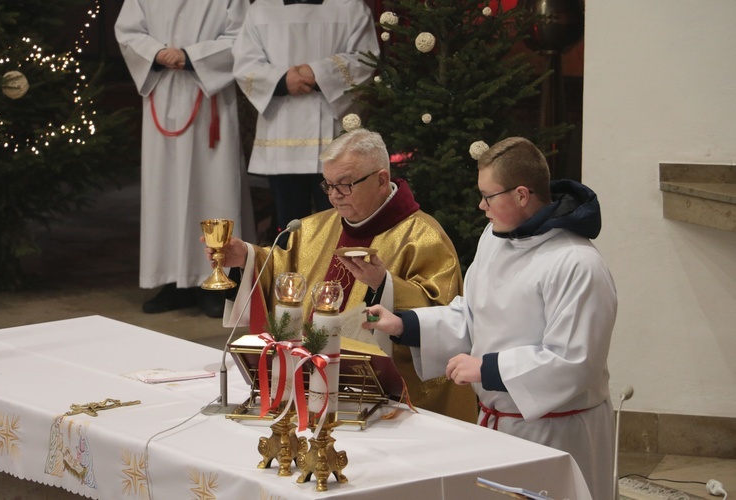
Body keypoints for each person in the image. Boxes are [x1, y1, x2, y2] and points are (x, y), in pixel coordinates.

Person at [364, 137, 617, 499]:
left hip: (556, 433)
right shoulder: (495, 238)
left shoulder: (577, 263)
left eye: (488, 196)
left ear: (522, 195)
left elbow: (574, 362)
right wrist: (405, 325)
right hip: (499, 425)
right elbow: (472, 315)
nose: (481, 206)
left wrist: (487, 369)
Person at [206, 128, 476, 422]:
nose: (334, 197)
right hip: (310, 382)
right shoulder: (311, 228)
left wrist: (382, 285)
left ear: (381, 180)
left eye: (344, 185)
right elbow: (282, 271)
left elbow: (446, 318)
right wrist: (245, 257)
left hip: (385, 399)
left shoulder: (424, 237)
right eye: (328, 185)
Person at [115, 0, 256, 317]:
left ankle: (215, 278)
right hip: (163, 93)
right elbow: (127, 30)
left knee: (213, 187)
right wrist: (156, 52)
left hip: (209, 102)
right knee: (165, 189)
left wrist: (191, 56)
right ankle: (173, 280)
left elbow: (243, 35)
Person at [232, 0, 379, 233]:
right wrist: (281, 80)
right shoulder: (261, 9)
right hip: (282, 136)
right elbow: (244, 64)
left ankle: (337, 270)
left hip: (334, 133)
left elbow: (366, 57)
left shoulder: (349, 6)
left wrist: (318, 72)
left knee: (339, 222)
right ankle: (289, 269)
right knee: (289, 224)